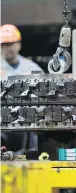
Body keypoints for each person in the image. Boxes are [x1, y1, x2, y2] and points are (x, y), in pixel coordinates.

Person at [1, 24, 43, 154]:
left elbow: (45, 92)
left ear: (18, 44)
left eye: (11, 44)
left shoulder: (31, 68)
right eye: (4, 45)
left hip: (28, 121)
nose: (8, 48)